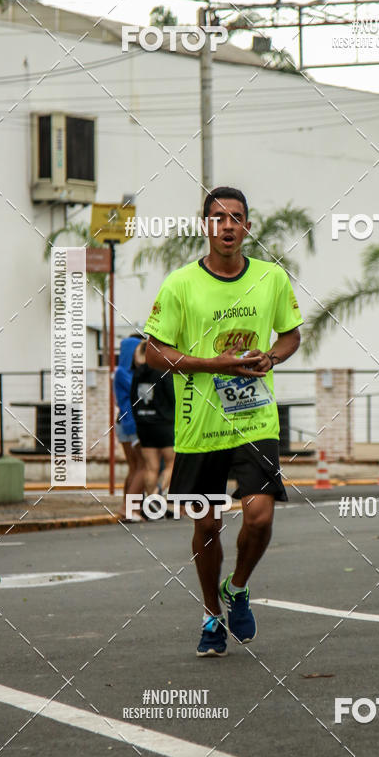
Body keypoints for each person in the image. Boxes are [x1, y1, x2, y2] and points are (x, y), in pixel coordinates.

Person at [144, 186, 302, 657]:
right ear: (205, 225)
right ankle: (212, 613)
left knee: (259, 515)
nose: (227, 225)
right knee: (208, 525)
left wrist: (271, 358)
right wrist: (213, 364)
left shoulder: (272, 278)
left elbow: (290, 335)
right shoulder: (180, 284)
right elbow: (153, 352)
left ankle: (238, 587)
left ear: (248, 227)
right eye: (218, 217)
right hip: (198, 424)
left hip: (254, 419)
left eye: (236, 217)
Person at [130, 340, 176, 507]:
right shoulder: (164, 371)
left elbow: (132, 399)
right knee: (172, 463)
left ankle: (154, 501)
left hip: (143, 424)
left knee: (151, 467)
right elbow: (173, 397)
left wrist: (139, 418)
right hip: (164, 424)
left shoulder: (138, 372)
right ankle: (158, 493)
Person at [113, 334, 145, 522]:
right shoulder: (126, 374)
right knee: (144, 466)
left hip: (124, 423)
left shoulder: (121, 372)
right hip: (131, 423)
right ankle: (130, 509)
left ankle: (129, 507)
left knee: (134, 467)